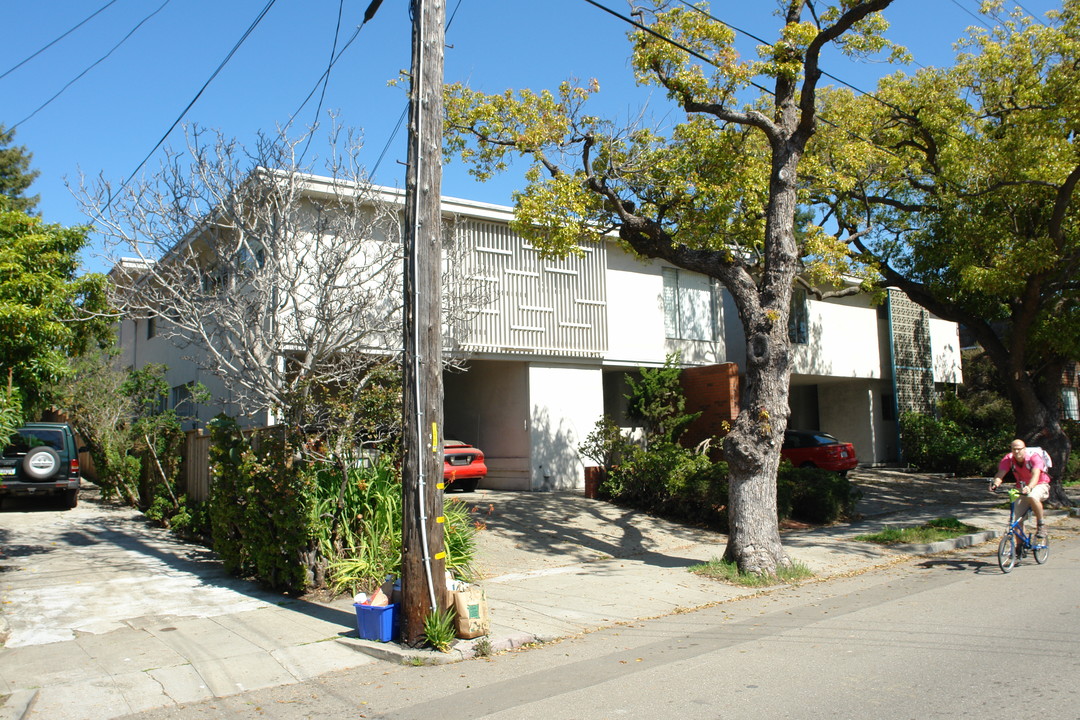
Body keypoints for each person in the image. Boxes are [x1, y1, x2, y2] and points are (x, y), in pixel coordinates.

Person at [989, 439, 1050, 541]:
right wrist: (995, 483)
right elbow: (1000, 473)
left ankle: (1041, 525)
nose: (1016, 452)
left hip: (1039, 484)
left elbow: (1036, 475)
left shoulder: (1034, 457)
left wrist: (1029, 487)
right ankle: (1019, 547)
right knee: (1016, 519)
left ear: (1024, 449)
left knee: (1033, 496)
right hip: (1022, 488)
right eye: (1014, 449)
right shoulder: (1008, 458)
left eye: (1019, 449)